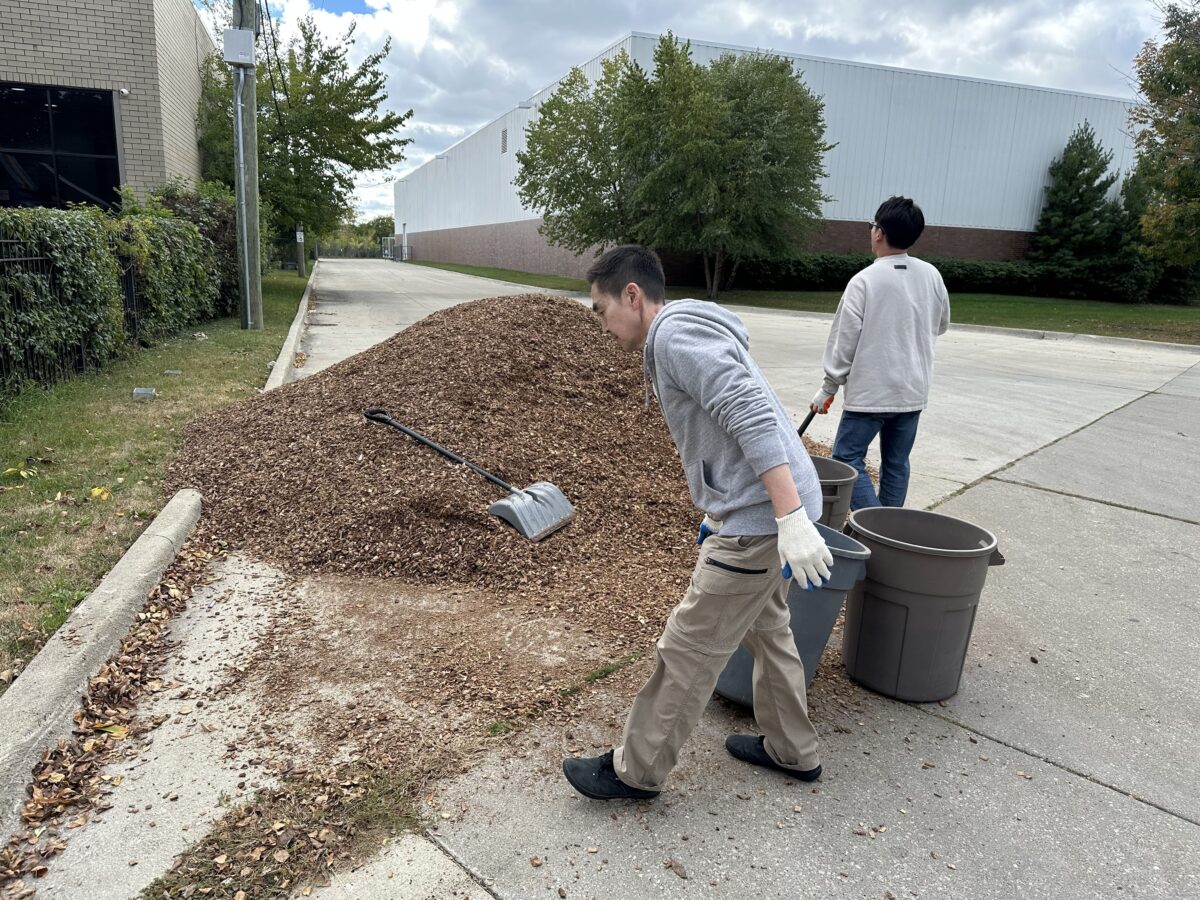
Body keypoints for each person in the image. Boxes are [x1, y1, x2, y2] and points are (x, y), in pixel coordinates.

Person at [562, 244, 834, 801]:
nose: (601, 325)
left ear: (632, 296)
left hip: (764, 519)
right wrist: (726, 509)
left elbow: (750, 412)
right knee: (769, 629)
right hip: (761, 511)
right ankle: (793, 749)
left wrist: (787, 517)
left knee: (689, 646)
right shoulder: (683, 331)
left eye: (600, 310)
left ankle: (636, 771)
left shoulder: (675, 336)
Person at [810, 196, 950, 510]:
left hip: (870, 393)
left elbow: (844, 341)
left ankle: (874, 526)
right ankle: (889, 528)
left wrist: (828, 388)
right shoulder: (932, 276)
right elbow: (941, 325)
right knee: (897, 464)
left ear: (879, 233)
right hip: (912, 391)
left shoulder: (864, 281)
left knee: (846, 459)